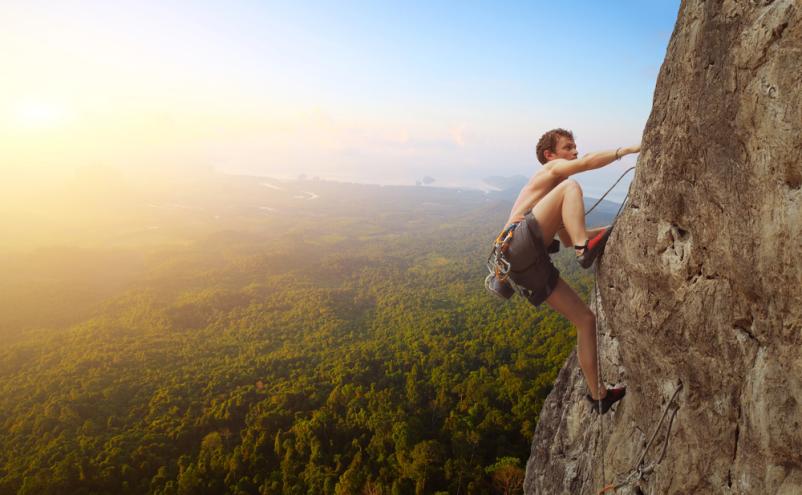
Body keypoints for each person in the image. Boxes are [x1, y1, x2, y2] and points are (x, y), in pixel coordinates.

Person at [499, 128, 640, 414]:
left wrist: (617, 227)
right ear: (550, 155)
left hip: (523, 265)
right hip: (518, 244)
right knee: (572, 186)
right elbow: (586, 164)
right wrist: (626, 151)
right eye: (568, 147)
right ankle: (584, 250)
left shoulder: (554, 199)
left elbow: (568, 238)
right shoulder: (550, 172)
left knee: (586, 320)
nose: (575, 152)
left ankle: (598, 395)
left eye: (575, 147)